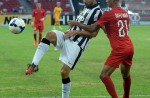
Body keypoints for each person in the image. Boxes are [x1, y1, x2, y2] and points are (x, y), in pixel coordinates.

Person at [25, 0, 102, 98]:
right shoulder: (86, 8)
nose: (84, 0)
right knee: (49, 34)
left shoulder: (99, 12)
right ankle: (34, 65)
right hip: (67, 36)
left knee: (64, 72)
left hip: (77, 44)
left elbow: (94, 34)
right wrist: (73, 27)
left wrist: (76, 30)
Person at [67, 0, 134, 98]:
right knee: (125, 74)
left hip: (120, 49)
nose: (106, 0)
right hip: (129, 47)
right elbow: (112, 29)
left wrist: (76, 23)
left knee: (104, 75)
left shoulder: (109, 14)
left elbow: (92, 28)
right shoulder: (125, 13)